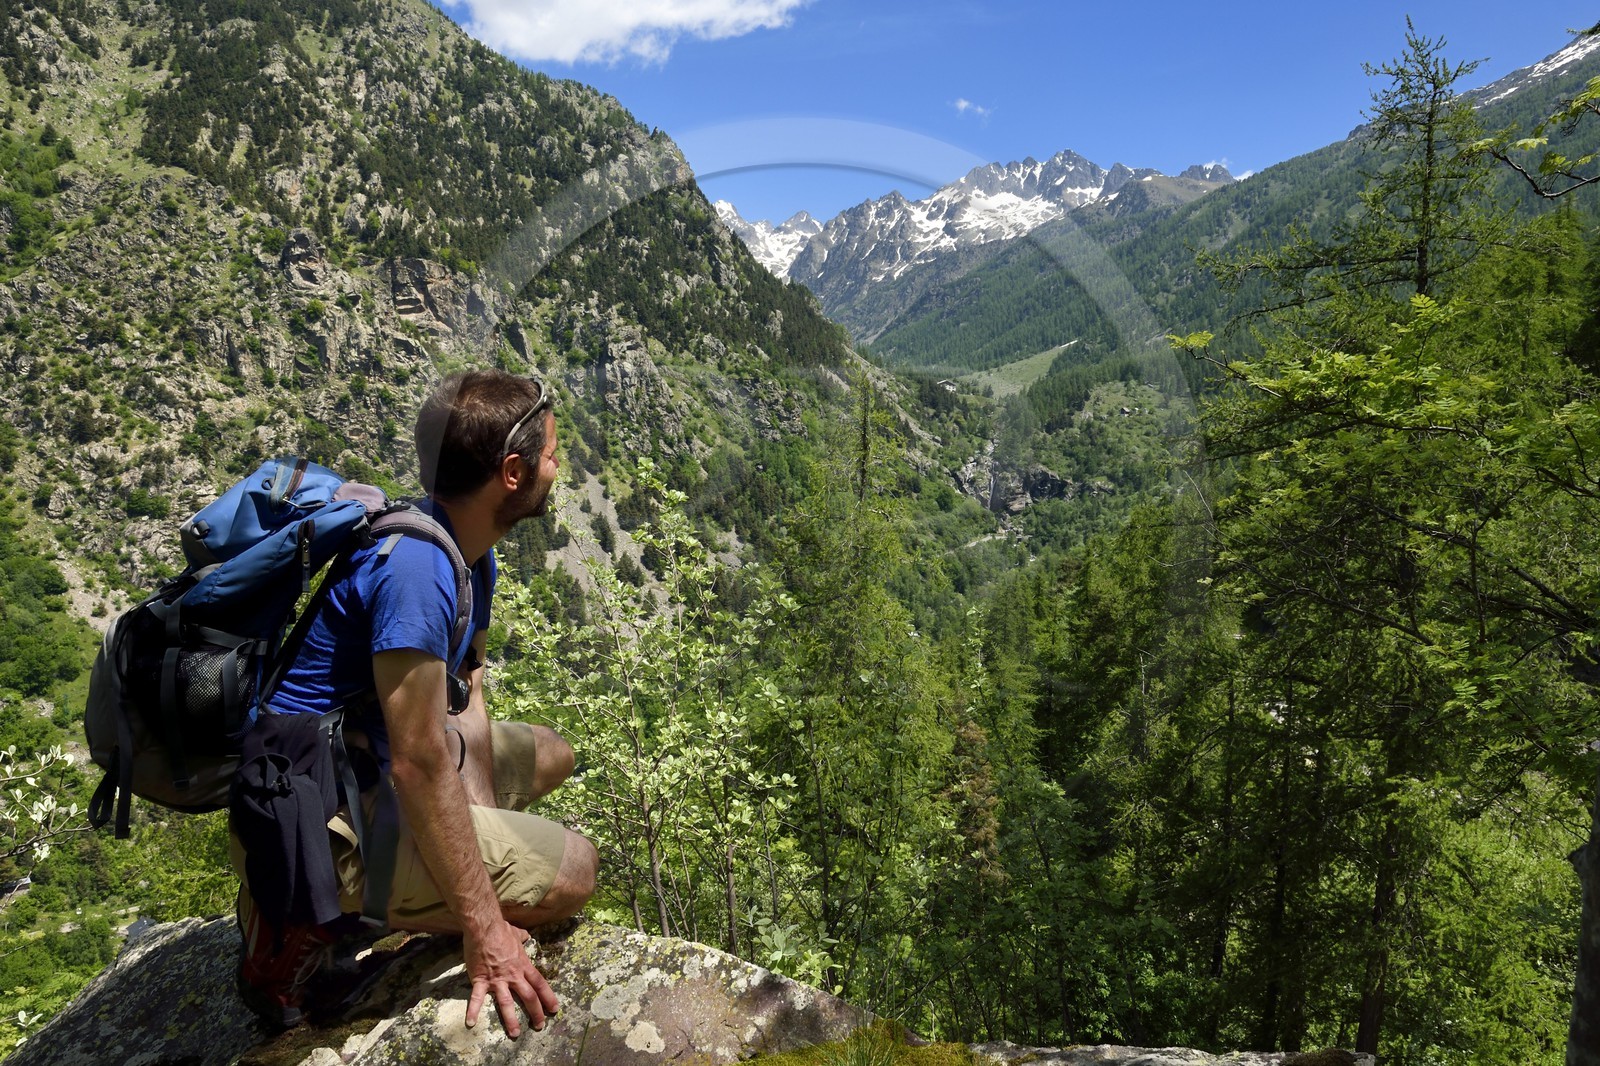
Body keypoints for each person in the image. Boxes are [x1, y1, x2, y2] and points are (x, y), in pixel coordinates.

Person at [232, 368, 597, 1037]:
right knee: (576, 869)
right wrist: (486, 926)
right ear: (511, 474)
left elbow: (467, 696)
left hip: (360, 765)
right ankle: (301, 930)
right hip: (317, 817)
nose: (558, 465)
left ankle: (418, 877)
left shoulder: (464, 545)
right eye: (549, 454)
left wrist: (484, 833)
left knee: (551, 754)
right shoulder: (418, 571)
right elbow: (419, 763)